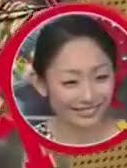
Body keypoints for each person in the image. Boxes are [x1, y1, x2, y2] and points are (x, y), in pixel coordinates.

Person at [26, 13, 121, 147]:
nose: (88, 96)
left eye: (101, 77)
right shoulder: (25, 149)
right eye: (70, 81)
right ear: (41, 83)